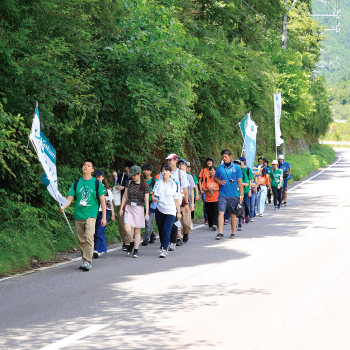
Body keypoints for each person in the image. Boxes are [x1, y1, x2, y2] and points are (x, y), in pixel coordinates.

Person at [60, 159, 106, 271]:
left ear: (92, 170)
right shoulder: (76, 183)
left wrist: (104, 217)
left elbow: (103, 201)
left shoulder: (97, 183)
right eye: (84, 165)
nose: (85, 166)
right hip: (78, 215)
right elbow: (69, 198)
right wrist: (64, 206)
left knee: (89, 237)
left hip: (91, 214)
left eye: (88, 165)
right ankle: (85, 260)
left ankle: (87, 262)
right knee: (81, 240)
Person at [159, 154, 189, 251]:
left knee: (175, 222)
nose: (168, 162)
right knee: (165, 223)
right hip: (164, 202)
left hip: (176, 201)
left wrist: (187, 203)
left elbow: (185, 188)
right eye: (167, 160)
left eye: (170, 160)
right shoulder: (162, 173)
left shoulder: (181, 173)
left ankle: (173, 241)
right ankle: (166, 242)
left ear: (175, 160)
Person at [119, 165, 150, 258]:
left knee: (137, 231)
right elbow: (125, 195)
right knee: (127, 228)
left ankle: (136, 249)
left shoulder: (145, 186)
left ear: (140, 174)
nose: (133, 177)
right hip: (129, 207)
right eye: (132, 175)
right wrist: (121, 207)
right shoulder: (129, 183)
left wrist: (147, 213)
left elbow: (147, 200)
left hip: (139, 208)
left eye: (134, 175)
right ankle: (131, 243)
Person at [152, 164, 182, 257]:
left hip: (171, 210)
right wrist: (153, 198)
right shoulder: (158, 183)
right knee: (161, 230)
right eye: (163, 170)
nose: (164, 172)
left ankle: (164, 250)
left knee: (166, 230)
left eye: (166, 170)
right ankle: (164, 244)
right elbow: (153, 194)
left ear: (170, 172)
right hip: (160, 209)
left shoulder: (174, 184)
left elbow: (176, 199)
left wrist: (179, 212)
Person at [214, 150, 243, 239]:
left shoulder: (237, 168)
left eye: (225, 157)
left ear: (230, 157)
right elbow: (215, 178)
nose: (224, 158)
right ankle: (220, 232)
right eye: (222, 157)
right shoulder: (220, 168)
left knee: (233, 214)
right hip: (222, 194)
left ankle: (233, 233)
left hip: (233, 194)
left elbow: (239, 181)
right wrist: (219, 181)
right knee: (221, 212)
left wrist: (241, 194)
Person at [93, 170, 115, 258]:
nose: (97, 179)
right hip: (94, 211)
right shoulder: (92, 188)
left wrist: (113, 214)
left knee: (99, 230)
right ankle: (101, 248)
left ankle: (98, 249)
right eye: (95, 177)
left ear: (103, 177)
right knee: (95, 231)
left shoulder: (107, 190)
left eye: (98, 177)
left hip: (104, 212)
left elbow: (110, 203)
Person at [116, 160, 134, 251]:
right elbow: (112, 181)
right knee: (121, 224)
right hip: (121, 202)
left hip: (132, 203)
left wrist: (124, 187)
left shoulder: (136, 177)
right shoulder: (121, 176)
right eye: (125, 171)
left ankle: (129, 242)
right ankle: (125, 241)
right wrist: (113, 176)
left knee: (130, 224)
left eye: (127, 171)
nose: (126, 173)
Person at [178, 159, 196, 243]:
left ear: (186, 166)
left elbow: (191, 190)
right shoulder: (175, 176)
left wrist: (192, 203)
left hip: (186, 202)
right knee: (177, 221)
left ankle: (185, 233)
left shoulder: (189, 177)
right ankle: (178, 238)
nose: (181, 165)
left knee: (186, 222)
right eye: (179, 164)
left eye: (183, 164)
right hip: (177, 201)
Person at [141, 163, 158, 246]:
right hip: (142, 204)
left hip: (152, 204)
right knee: (145, 223)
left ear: (151, 171)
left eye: (147, 170)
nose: (145, 172)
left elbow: (159, 192)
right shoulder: (141, 181)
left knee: (148, 222)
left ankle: (146, 240)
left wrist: (152, 193)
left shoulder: (155, 181)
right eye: (144, 170)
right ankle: (152, 236)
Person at [202, 166, 219, 230]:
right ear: (209, 171)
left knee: (215, 212)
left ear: (215, 171)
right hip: (208, 199)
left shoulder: (217, 179)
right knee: (209, 212)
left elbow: (221, 188)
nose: (212, 171)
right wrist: (207, 190)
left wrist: (214, 189)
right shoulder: (206, 179)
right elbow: (203, 188)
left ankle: (215, 224)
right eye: (211, 170)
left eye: (213, 170)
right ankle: (211, 224)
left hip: (215, 198)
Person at [198, 157, 214, 225]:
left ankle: (212, 218)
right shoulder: (203, 170)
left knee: (213, 205)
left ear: (212, 163)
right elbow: (199, 180)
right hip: (205, 190)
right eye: (208, 161)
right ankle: (206, 218)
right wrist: (201, 189)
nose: (209, 162)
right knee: (205, 205)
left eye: (210, 161)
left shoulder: (214, 170)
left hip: (213, 191)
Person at [239, 157, 253, 224]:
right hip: (240, 191)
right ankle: (241, 218)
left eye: (241, 161)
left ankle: (247, 215)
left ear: (244, 161)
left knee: (246, 204)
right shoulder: (238, 170)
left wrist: (250, 190)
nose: (240, 163)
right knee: (241, 205)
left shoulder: (248, 170)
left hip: (246, 190)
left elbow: (250, 181)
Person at [186, 162, 200, 226]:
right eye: (187, 167)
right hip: (183, 195)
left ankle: (191, 220)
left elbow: (196, 185)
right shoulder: (180, 175)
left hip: (191, 195)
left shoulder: (192, 175)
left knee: (191, 207)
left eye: (189, 167)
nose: (188, 169)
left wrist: (197, 194)